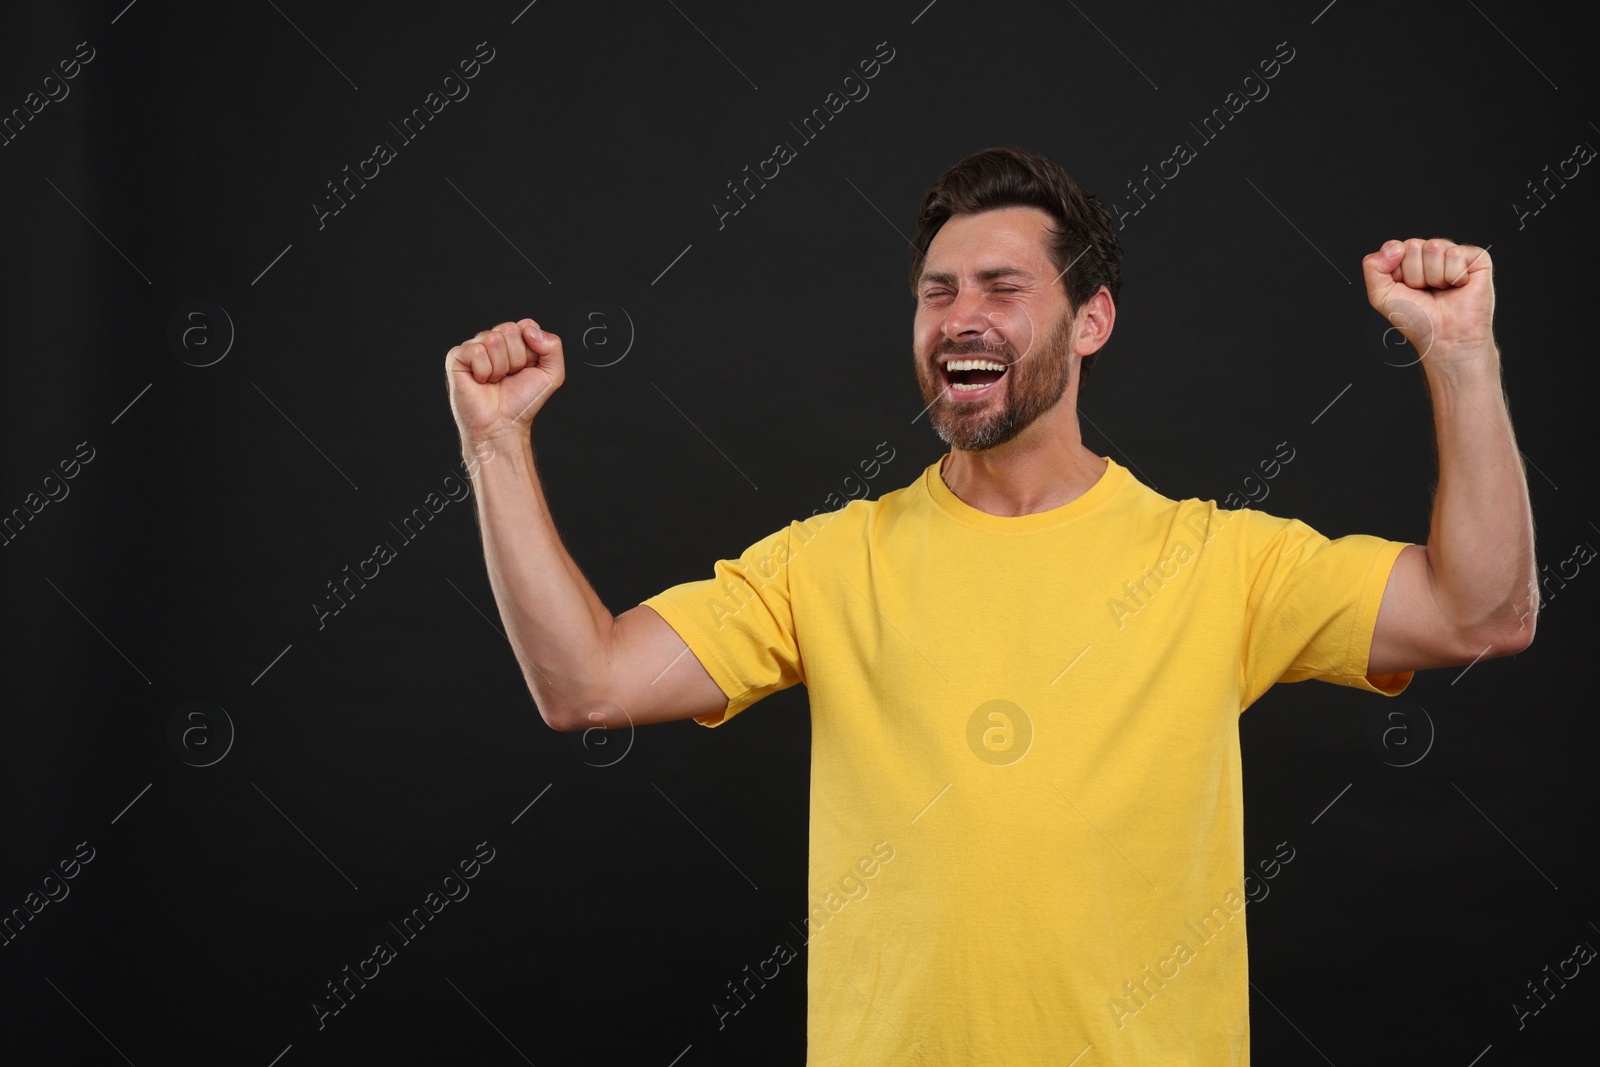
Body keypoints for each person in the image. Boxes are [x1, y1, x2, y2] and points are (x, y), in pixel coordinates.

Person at [443, 146, 1537, 1065]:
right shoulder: (828, 562)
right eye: (937, 291)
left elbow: (1482, 613)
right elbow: (585, 683)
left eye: (1003, 288)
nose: (960, 317)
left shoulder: (1214, 560)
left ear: (1092, 318)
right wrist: (495, 443)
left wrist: (1459, 356)